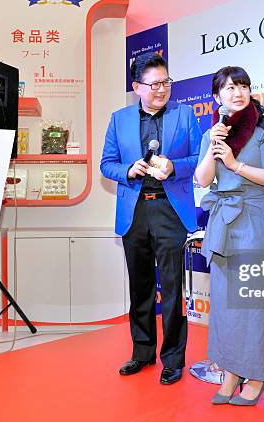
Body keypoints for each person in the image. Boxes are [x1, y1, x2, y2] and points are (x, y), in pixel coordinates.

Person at [100, 53, 201, 385]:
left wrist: (176, 167)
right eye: (154, 84)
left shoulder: (185, 115)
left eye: (166, 82)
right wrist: (128, 170)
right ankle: (142, 353)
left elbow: (200, 160)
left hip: (170, 210)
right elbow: (106, 164)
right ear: (136, 87)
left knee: (172, 288)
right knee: (140, 286)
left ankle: (173, 358)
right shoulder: (120, 119)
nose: (162, 89)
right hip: (135, 210)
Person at [195, 66, 264, 406]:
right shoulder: (213, 134)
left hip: (253, 219)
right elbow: (203, 181)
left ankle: (257, 375)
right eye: (230, 88)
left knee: (251, 303)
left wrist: (234, 164)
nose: (238, 92)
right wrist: (213, 147)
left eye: (243, 86)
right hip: (222, 224)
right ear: (217, 97)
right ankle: (231, 371)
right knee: (225, 305)